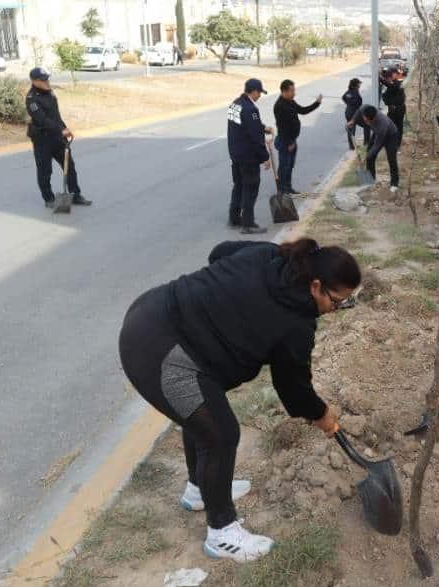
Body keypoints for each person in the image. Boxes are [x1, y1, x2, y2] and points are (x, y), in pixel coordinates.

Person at [119, 238, 361, 562]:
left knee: (203, 413)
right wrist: (323, 415)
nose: (336, 309)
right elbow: (293, 389)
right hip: (157, 352)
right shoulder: (296, 325)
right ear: (315, 286)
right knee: (221, 434)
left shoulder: (271, 255)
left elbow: (219, 252)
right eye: (337, 301)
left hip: (151, 311)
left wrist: (222, 304)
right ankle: (222, 533)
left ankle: (200, 489)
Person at [25, 67, 92, 208]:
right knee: (45, 171)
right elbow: (42, 120)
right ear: (34, 81)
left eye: (47, 79)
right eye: (43, 80)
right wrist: (61, 130)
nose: (47, 82)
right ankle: (49, 199)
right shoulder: (32, 99)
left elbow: (56, 115)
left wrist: (65, 128)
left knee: (69, 166)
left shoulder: (50, 93)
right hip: (42, 140)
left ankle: (75, 195)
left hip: (57, 138)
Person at [227, 78, 273, 234]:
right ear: (253, 91)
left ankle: (234, 218)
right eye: (259, 92)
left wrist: (264, 128)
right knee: (250, 188)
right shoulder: (251, 109)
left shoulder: (234, 105)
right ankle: (248, 224)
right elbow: (255, 136)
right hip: (248, 157)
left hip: (236, 155)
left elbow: (243, 127)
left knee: (238, 187)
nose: (259, 96)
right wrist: (265, 157)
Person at [273, 79, 322, 195]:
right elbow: (282, 127)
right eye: (292, 91)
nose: (294, 93)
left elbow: (303, 111)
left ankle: (288, 187)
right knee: (284, 166)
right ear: (284, 91)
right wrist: (290, 142)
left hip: (292, 140)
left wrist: (317, 103)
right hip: (285, 141)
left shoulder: (290, 101)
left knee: (290, 165)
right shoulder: (279, 106)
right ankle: (282, 190)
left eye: (294, 90)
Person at [348, 105, 399, 192]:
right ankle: (371, 180)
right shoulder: (366, 109)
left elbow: (377, 145)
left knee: (391, 158)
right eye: (365, 120)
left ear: (373, 119)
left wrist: (367, 156)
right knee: (370, 157)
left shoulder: (382, 124)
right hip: (376, 133)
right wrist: (353, 120)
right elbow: (359, 110)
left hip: (391, 136)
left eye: (368, 121)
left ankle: (394, 183)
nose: (366, 122)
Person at [380, 67, 406, 143]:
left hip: (397, 109)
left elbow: (392, 86)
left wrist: (381, 80)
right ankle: (393, 141)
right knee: (393, 125)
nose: (389, 77)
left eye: (390, 75)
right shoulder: (394, 82)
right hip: (394, 108)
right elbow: (389, 88)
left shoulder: (398, 81)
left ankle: (396, 142)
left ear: (395, 74)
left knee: (397, 126)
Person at [342, 78, 370, 150]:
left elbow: (343, 97)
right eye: (359, 84)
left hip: (348, 113)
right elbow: (359, 103)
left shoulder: (348, 91)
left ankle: (352, 146)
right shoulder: (356, 92)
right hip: (355, 114)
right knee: (367, 125)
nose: (360, 85)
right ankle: (366, 143)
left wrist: (348, 103)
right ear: (356, 85)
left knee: (351, 129)